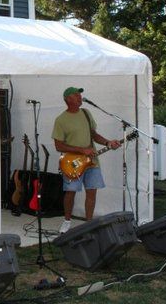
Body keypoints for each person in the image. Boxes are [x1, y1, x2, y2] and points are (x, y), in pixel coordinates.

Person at [52, 87, 120, 234]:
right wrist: (81, 150)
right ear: (68, 99)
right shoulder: (61, 120)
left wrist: (108, 142)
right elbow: (58, 146)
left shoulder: (86, 113)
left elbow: (94, 135)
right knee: (70, 192)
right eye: (76, 95)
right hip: (72, 164)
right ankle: (67, 221)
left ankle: (89, 224)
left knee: (91, 192)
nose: (80, 97)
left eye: (80, 94)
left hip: (92, 162)